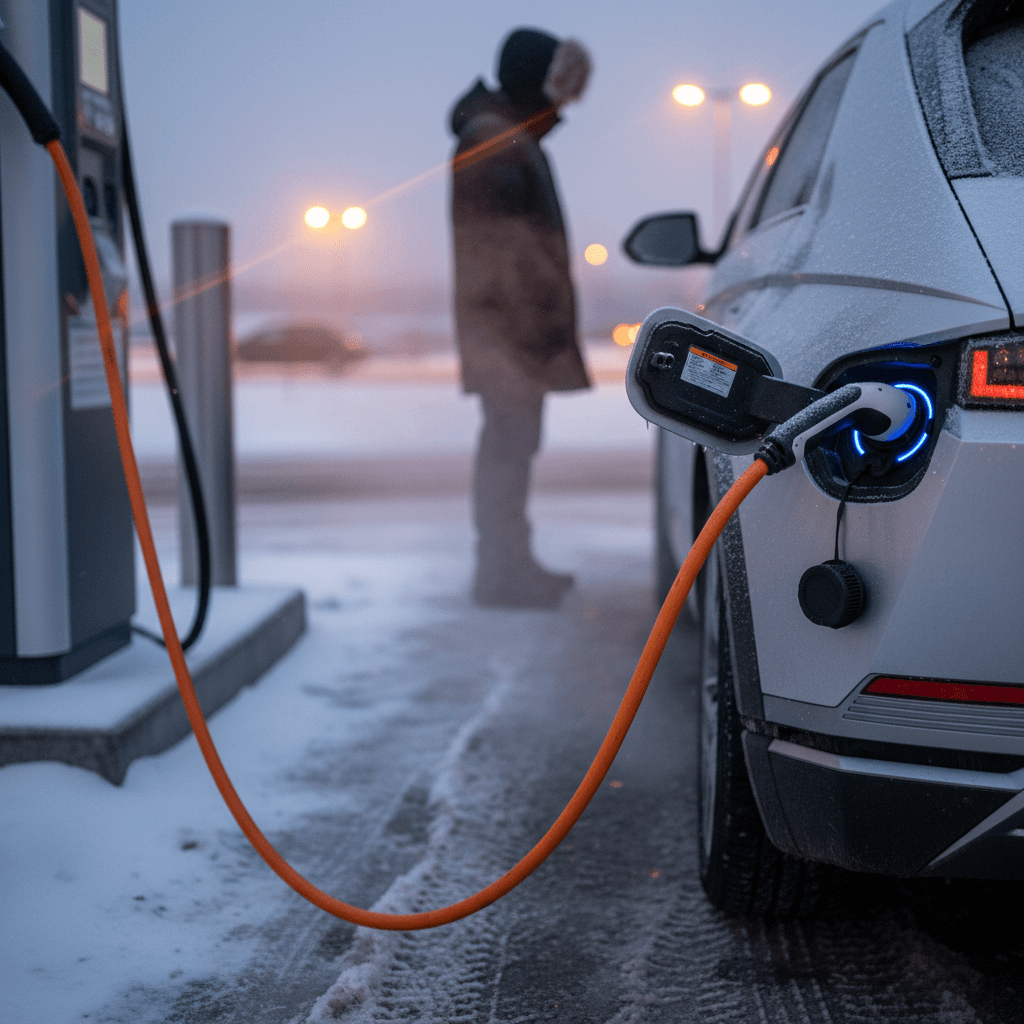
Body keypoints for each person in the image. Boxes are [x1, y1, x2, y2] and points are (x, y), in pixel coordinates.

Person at [449, 27, 592, 609]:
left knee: (511, 451)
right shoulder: (495, 139)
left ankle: (511, 564)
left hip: (510, 334)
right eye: (558, 90)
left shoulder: (507, 136)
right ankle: (502, 575)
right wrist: (526, 335)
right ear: (537, 82)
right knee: (508, 453)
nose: (562, 107)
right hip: (508, 337)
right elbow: (503, 250)